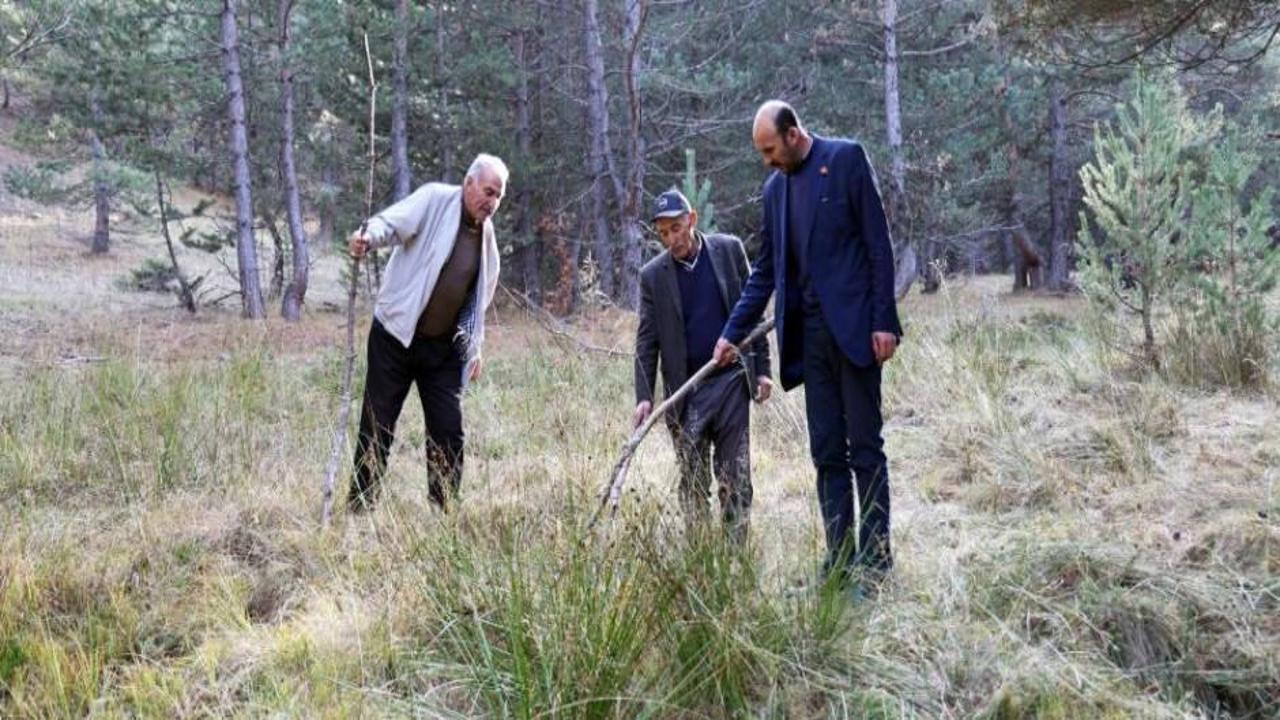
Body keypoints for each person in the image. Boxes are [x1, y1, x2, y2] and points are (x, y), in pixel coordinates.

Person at [713, 101, 903, 588]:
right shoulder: (774, 189)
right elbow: (764, 275)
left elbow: (878, 246)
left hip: (858, 332)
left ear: (794, 133)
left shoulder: (846, 160)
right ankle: (839, 559)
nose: (766, 161)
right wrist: (730, 335)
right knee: (825, 452)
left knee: (865, 447)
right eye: (762, 153)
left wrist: (885, 320)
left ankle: (876, 559)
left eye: (770, 149)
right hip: (810, 339)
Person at [346, 154, 507, 513]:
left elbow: (478, 298)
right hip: (394, 337)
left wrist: (474, 347)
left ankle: (443, 509)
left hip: (443, 351)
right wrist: (367, 236)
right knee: (377, 425)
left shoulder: (487, 237)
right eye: (487, 191)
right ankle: (359, 509)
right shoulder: (434, 200)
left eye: (498, 196)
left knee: (448, 430)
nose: (491, 202)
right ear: (468, 183)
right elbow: (393, 222)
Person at [634, 189, 772, 539]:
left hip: (731, 383)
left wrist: (764, 370)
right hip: (685, 394)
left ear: (692, 220)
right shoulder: (653, 277)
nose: (671, 239)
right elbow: (647, 341)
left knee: (735, 477)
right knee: (693, 483)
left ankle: (734, 558)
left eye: (677, 228)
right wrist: (644, 396)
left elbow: (753, 313)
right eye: (663, 233)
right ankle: (699, 556)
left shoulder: (728, 250)